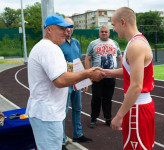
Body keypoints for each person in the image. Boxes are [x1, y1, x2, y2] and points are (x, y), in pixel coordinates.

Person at [25, 14, 105, 150]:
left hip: (45, 113)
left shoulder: (46, 46)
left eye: (67, 28)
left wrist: (84, 78)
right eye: (61, 28)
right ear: (48, 29)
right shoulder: (50, 48)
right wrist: (88, 73)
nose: (65, 31)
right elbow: (60, 80)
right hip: (47, 115)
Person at [103, 7, 155, 150]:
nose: (113, 29)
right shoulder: (137, 42)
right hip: (140, 107)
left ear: (123, 22)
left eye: (113, 25)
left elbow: (136, 86)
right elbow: (129, 71)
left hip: (137, 109)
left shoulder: (135, 46)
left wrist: (119, 116)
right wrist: (106, 72)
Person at [59, 18, 92, 150]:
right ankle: (61, 141)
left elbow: (79, 61)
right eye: (66, 26)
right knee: (63, 111)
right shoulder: (58, 43)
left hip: (76, 81)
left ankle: (77, 134)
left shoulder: (76, 42)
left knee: (77, 108)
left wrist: (84, 80)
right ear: (63, 27)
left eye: (71, 26)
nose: (69, 29)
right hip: (65, 82)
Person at [85, 25, 122, 128]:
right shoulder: (93, 44)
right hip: (97, 76)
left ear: (109, 33)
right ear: (99, 33)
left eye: (106, 32)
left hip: (111, 76)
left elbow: (119, 57)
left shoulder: (114, 43)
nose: (104, 33)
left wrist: (123, 71)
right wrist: (88, 74)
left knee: (108, 98)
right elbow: (87, 58)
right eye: (102, 32)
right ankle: (94, 118)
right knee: (96, 97)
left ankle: (108, 118)